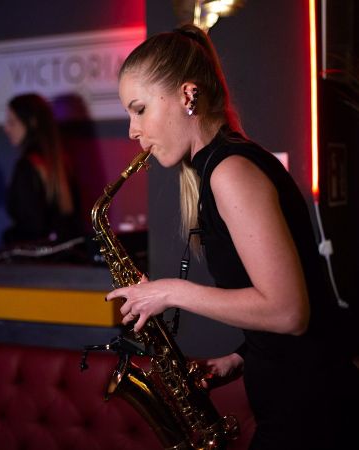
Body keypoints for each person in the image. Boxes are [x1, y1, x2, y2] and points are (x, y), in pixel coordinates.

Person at [106, 24, 359, 450]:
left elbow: (289, 312)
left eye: (140, 109)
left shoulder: (229, 172)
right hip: (299, 404)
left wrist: (169, 292)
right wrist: (240, 357)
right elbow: (295, 305)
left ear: (188, 96)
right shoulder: (217, 169)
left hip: (314, 414)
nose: (133, 130)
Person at [3, 93, 81, 246]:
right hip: (67, 252)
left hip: (37, 255)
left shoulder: (27, 166)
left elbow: (31, 226)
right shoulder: (61, 162)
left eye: (12, 122)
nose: (6, 129)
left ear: (31, 122)